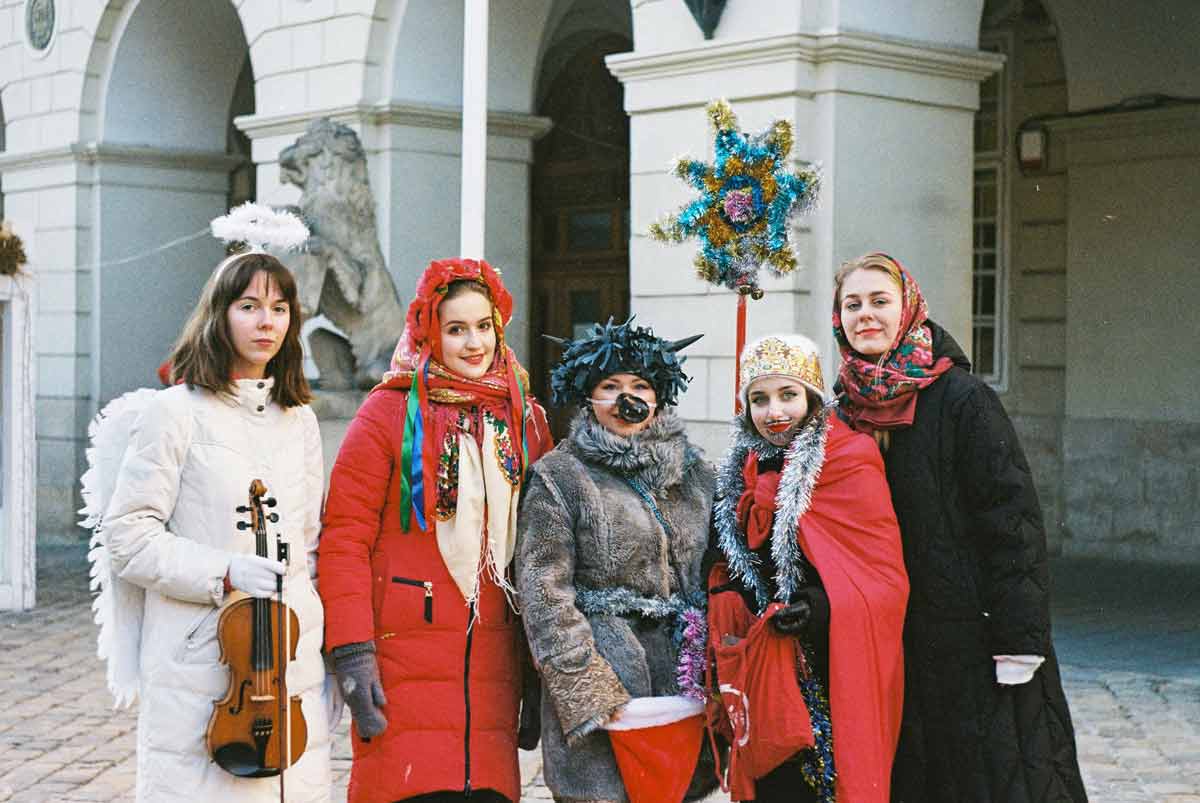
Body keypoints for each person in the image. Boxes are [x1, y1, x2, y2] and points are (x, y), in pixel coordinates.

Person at [832, 252, 1088, 803]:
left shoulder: (963, 399)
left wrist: (1019, 640)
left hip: (974, 640)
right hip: (892, 643)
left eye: (879, 301)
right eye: (852, 304)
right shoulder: (841, 410)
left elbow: (1011, 519)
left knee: (996, 781)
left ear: (908, 308)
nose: (864, 314)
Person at [96, 246, 333, 802]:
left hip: (289, 665)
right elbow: (127, 537)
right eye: (249, 306)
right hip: (202, 660)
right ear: (219, 314)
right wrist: (223, 570)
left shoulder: (299, 419)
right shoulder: (174, 413)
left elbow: (307, 545)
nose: (266, 322)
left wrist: (315, 644)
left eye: (279, 309)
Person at [318, 258, 554, 803]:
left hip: (494, 669)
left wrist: (536, 667)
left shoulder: (525, 418)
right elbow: (345, 539)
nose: (474, 343)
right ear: (430, 332)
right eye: (456, 329)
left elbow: (540, 552)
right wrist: (352, 650)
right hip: (402, 664)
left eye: (483, 326)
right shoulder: (386, 413)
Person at [515, 318, 714, 803]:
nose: (627, 398)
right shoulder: (559, 477)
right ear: (589, 396)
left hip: (680, 689)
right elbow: (544, 593)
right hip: (605, 686)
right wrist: (588, 690)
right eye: (611, 386)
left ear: (658, 395)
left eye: (640, 385)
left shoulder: (697, 476)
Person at [708, 334, 909, 803]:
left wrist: (821, 606)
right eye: (759, 399)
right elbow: (729, 556)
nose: (773, 410)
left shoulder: (850, 457)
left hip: (827, 662)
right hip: (763, 665)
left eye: (787, 394)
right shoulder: (742, 467)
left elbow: (883, 577)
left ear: (812, 397)